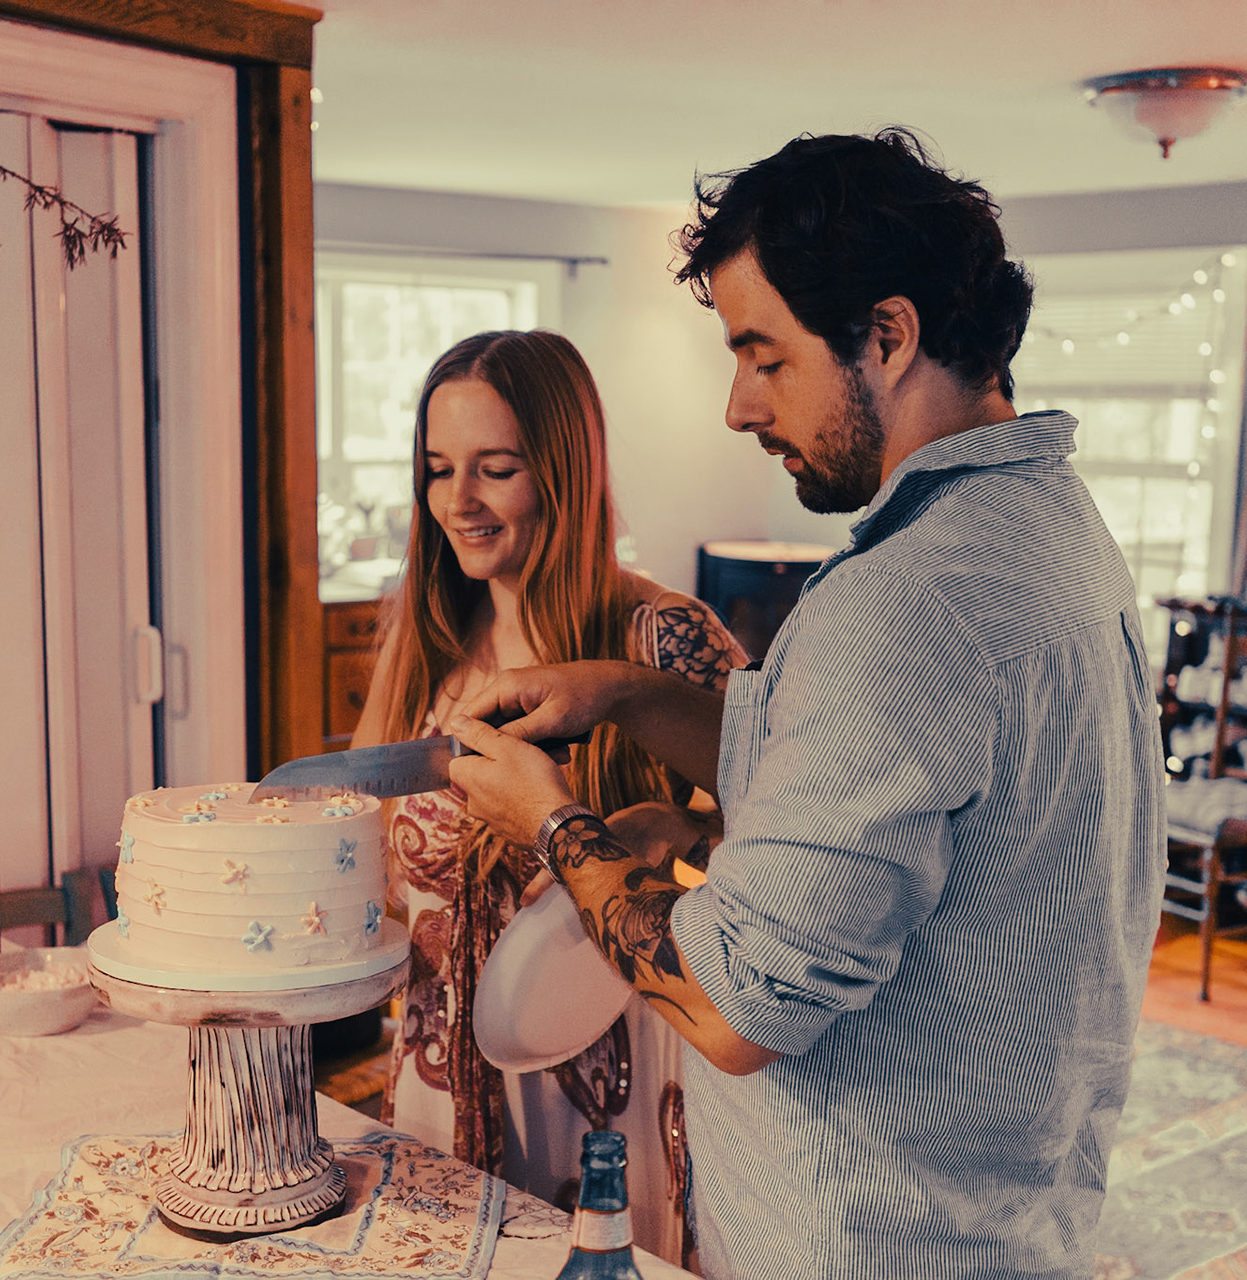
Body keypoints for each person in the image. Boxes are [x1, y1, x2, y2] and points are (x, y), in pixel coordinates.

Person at [445, 130, 1165, 1279]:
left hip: (868, 1245)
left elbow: (740, 1007)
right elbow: (873, 770)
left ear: (889, 335)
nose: (738, 407)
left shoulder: (906, 599)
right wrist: (627, 693)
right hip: (1006, 1218)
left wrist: (553, 821)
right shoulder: (1049, 526)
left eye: (764, 357)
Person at [354, 328, 746, 1263]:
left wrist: (681, 828)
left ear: (564, 472)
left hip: (611, 1090)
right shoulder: (425, 641)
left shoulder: (663, 638)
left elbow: (785, 828)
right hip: (440, 1080)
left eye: (496, 469)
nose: (459, 500)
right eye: (438, 469)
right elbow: (360, 847)